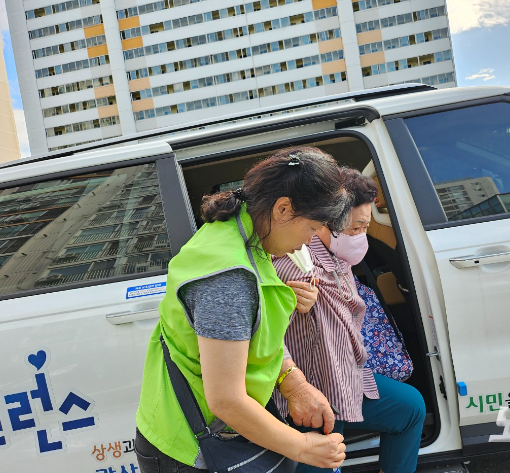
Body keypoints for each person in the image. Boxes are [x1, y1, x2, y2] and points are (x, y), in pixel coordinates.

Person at [135, 147, 351, 473]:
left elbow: (253, 333)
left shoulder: (243, 234)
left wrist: (293, 381)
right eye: (312, 227)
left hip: (203, 430)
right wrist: (304, 447)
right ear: (282, 209)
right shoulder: (230, 278)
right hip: (191, 450)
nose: (310, 241)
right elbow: (225, 400)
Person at [273, 168, 426, 473]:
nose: (361, 236)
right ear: (326, 223)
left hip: (347, 379)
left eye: (365, 227)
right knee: (323, 458)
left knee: (409, 407)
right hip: (312, 394)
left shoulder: (338, 259)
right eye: (356, 227)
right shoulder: (295, 265)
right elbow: (262, 331)